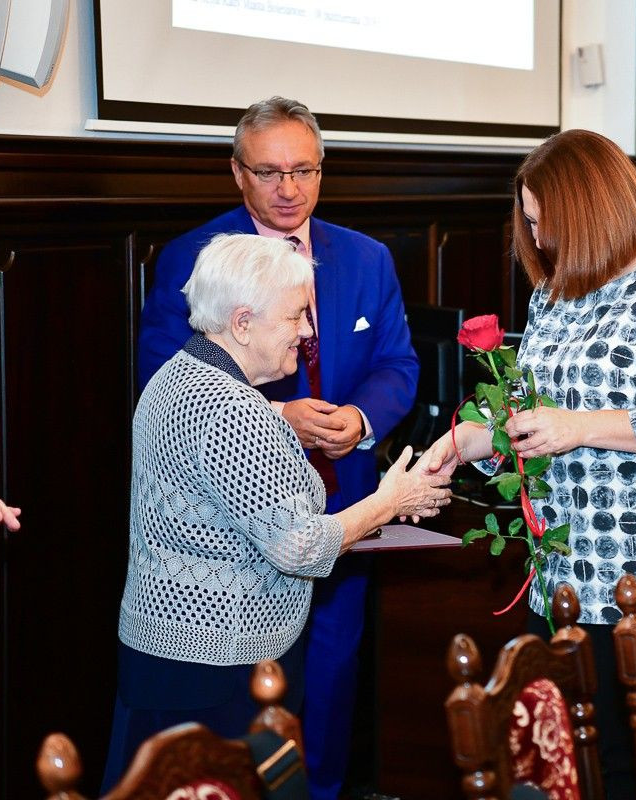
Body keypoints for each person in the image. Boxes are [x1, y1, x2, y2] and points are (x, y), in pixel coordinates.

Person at [425, 129, 636, 798]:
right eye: (531, 225)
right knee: (568, 764)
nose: (538, 241)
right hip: (564, 571)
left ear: (591, 210)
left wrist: (579, 429)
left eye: (547, 224)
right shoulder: (556, 294)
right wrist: (459, 446)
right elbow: (530, 410)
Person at [136, 97, 418, 799]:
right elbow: (164, 379)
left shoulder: (367, 257)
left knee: (327, 687)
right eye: (269, 172)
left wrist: (359, 418)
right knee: (244, 712)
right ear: (237, 174)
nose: (288, 189)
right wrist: (272, 415)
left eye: (303, 170)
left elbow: (399, 366)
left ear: (323, 171)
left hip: (347, 510)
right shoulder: (196, 259)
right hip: (230, 557)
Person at [102, 234, 449, 788]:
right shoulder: (232, 409)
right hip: (218, 664)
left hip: (169, 651)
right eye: (295, 317)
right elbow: (301, 547)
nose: (309, 332)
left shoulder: (178, 376)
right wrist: (389, 502)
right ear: (242, 323)